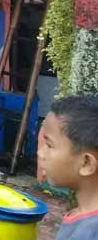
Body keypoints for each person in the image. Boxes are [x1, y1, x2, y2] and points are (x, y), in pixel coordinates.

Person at [37, 96, 98, 240]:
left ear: (86, 164)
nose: (40, 152)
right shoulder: (82, 216)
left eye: (49, 145)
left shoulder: (92, 231)